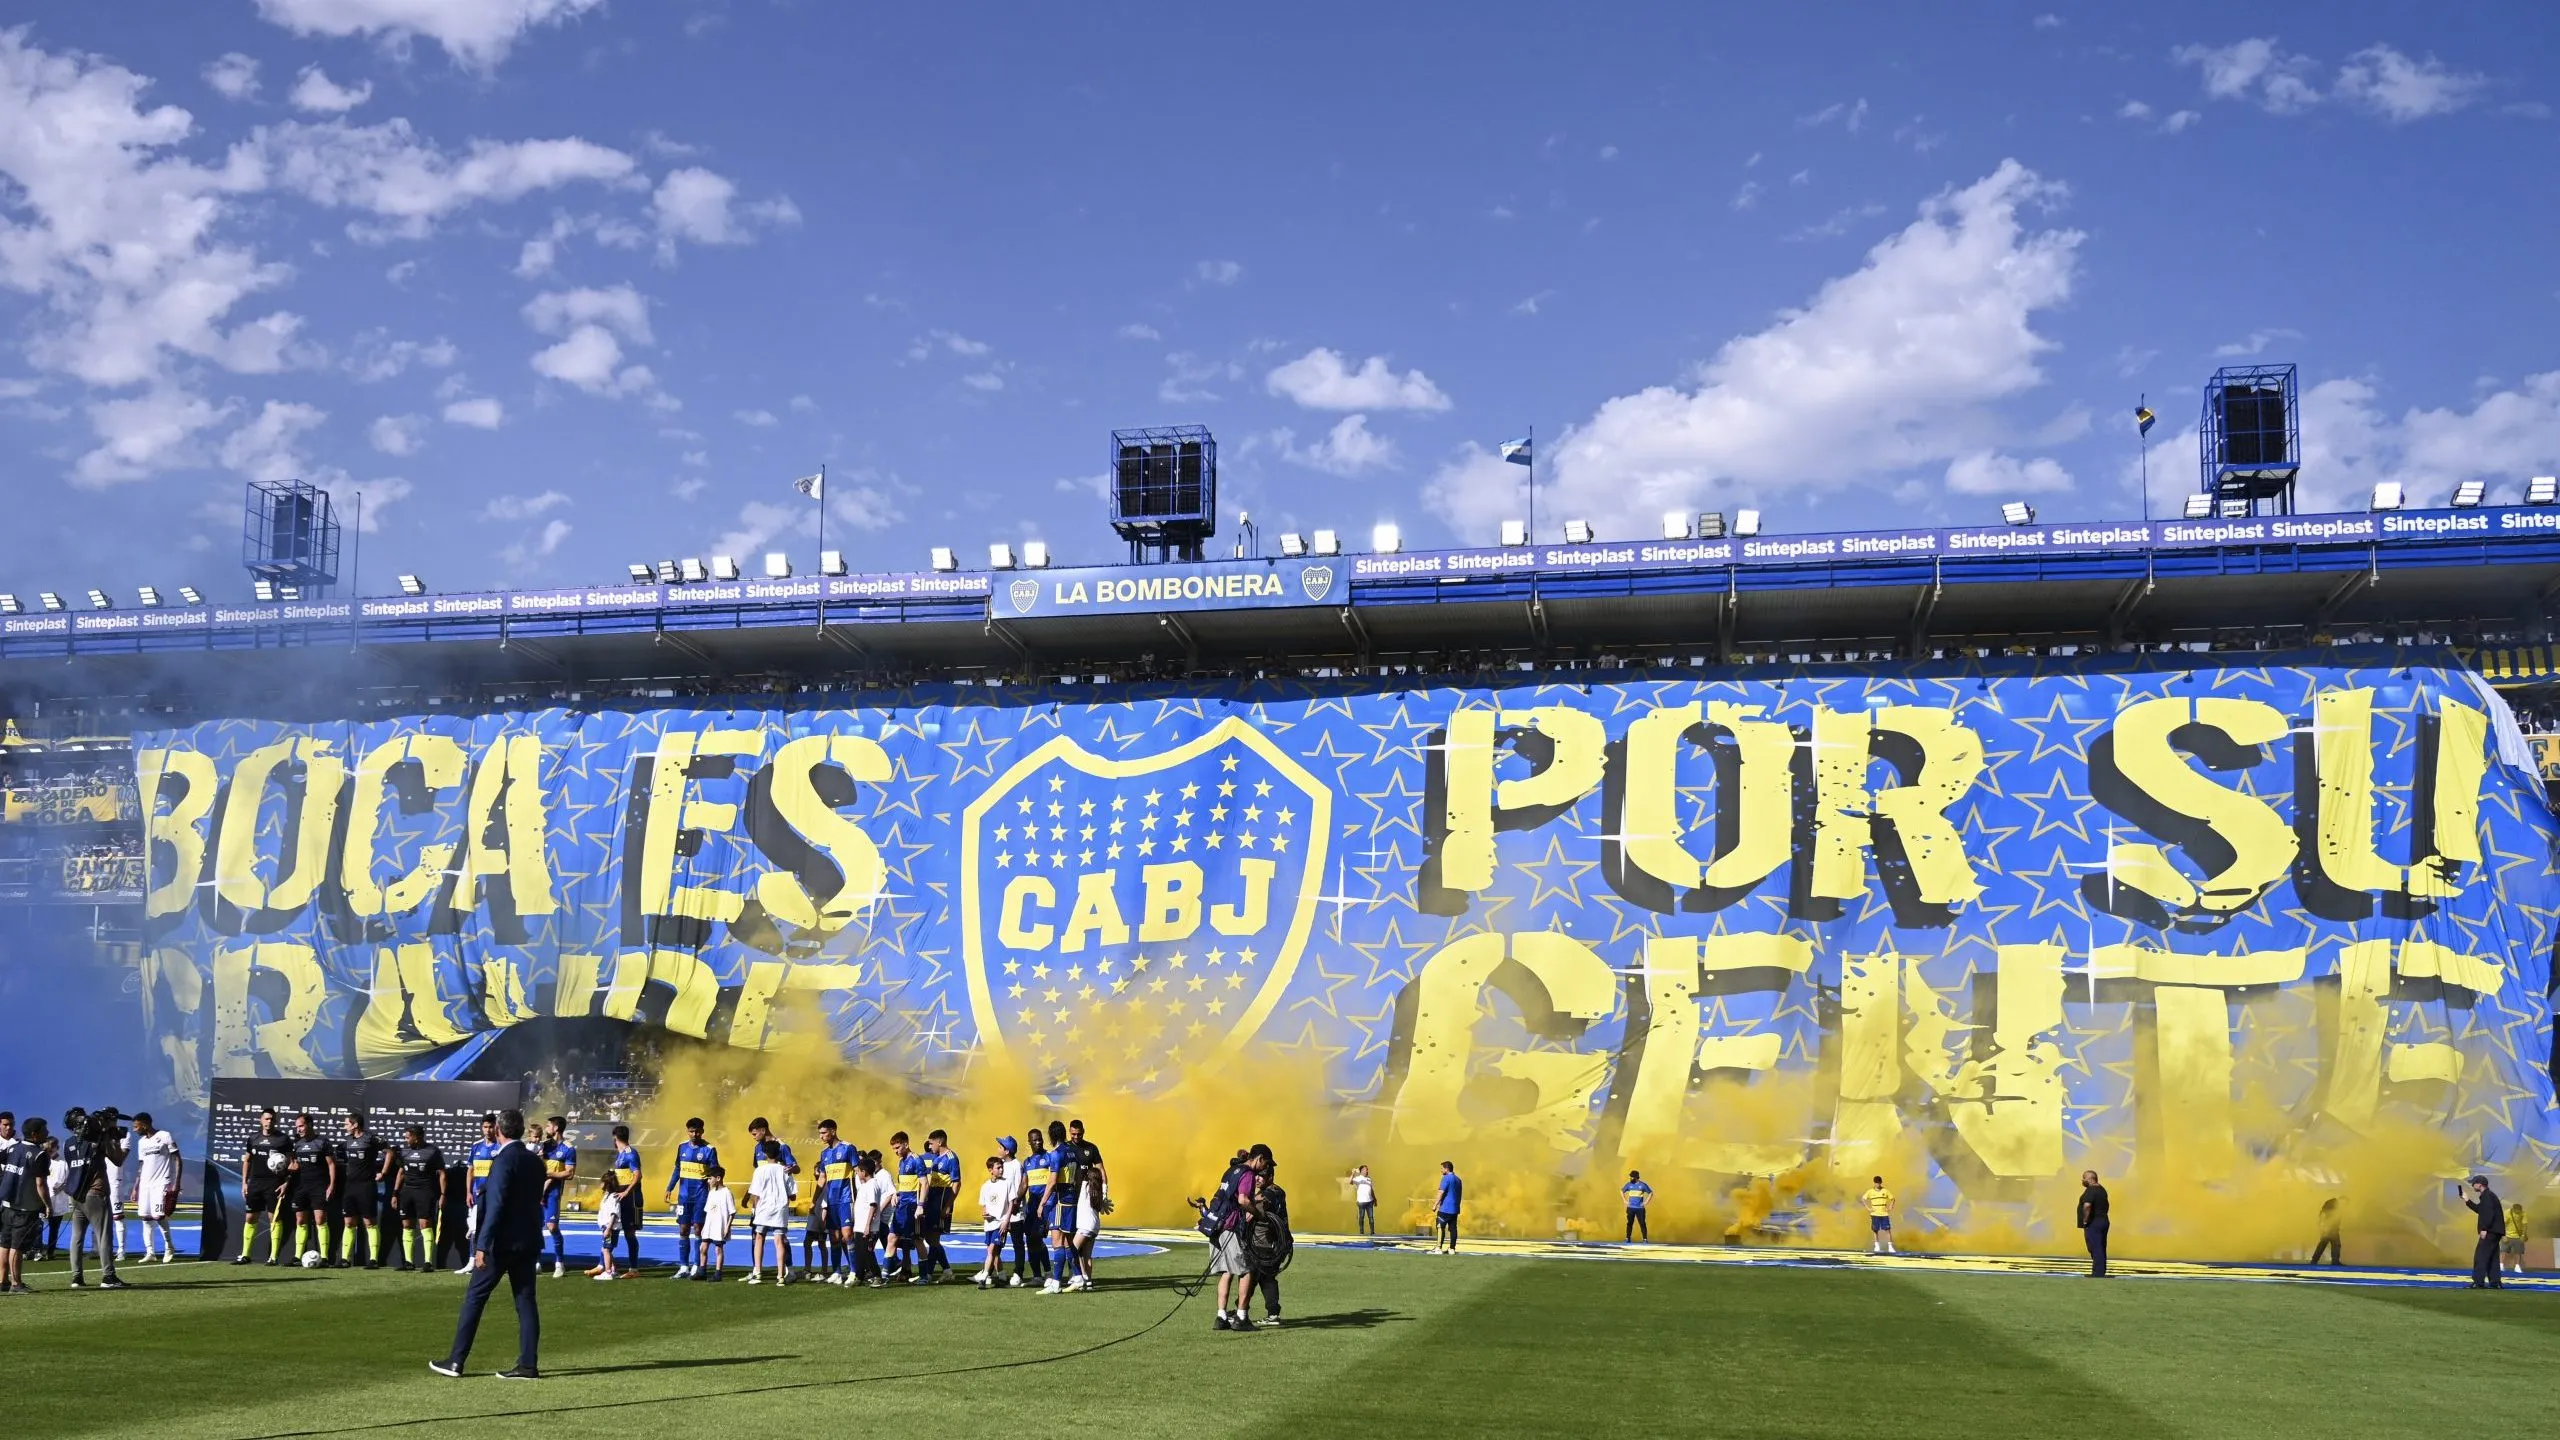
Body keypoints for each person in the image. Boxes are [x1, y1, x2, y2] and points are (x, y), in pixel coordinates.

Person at [431, 1109, 543, 1381]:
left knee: (475, 1298)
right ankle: (528, 1364)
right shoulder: (535, 1161)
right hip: (528, 1240)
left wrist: (482, 1245)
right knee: (525, 1301)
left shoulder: (504, 1161)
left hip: (501, 1243)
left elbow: (496, 1206)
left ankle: (456, 1361)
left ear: (499, 1131)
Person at [62, 1109, 128, 1288]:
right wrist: (116, 1140)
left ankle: (76, 1278)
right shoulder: (98, 1140)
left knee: (76, 1237)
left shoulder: (68, 1143)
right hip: (96, 1193)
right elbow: (118, 1159)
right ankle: (108, 1277)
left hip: (76, 1195)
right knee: (104, 1236)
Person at [1193, 1145, 1257, 1328]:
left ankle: (1221, 1317)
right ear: (1258, 1159)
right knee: (1246, 1270)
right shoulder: (1247, 1173)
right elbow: (1243, 1199)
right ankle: (1241, 1317)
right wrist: (1256, 1213)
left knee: (1226, 1271)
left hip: (1215, 1226)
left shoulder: (1230, 1171)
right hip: (1230, 1226)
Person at [235, 1107, 292, 1265]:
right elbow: (247, 1160)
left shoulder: (283, 1139)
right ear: (261, 1120)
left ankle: (273, 1257)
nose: (269, 1122)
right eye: (266, 1119)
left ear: (276, 1121)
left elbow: (292, 1164)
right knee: (250, 1217)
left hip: (274, 1184)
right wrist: (244, 1182)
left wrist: (286, 1182)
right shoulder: (253, 1138)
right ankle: (245, 1255)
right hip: (255, 1183)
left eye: (272, 1119)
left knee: (274, 1218)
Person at [1242, 1145, 1291, 1327]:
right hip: (1274, 1243)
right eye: (1257, 1176)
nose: (1257, 1179)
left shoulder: (1268, 1194)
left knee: (1261, 1277)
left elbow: (1255, 1211)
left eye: (1261, 1176)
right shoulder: (1276, 1191)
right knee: (1257, 1277)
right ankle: (1243, 1310)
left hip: (1267, 1243)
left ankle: (1267, 1313)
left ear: (1270, 1177)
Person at [667, 1117, 718, 1279]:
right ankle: (683, 1266)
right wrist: (670, 1187)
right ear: (687, 1131)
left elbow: (716, 1173)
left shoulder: (710, 1149)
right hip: (684, 1196)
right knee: (683, 1229)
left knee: (698, 1228)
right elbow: (677, 1169)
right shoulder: (681, 1147)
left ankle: (697, 1264)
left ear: (702, 1131)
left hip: (701, 1196)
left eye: (697, 1131)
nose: (694, 1134)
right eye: (691, 1131)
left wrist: (714, 1193)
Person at [0, 1114, 47, 1292]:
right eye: (44, 1130)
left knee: (4, 1244)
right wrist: (48, 1204)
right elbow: (40, 1184)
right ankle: (16, 1283)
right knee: (17, 1247)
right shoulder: (39, 1154)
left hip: (7, 1204)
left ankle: (2, 1281)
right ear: (35, 1134)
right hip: (25, 1207)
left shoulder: (14, 1148)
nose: (47, 1132)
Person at [332, 1112, 385, 1268]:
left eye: (347, 1124)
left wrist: (383, 1172)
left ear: (355, 1125)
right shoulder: (347, 1141)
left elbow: (389, 1152)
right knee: (348, 1222)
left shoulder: (370, 1138)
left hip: (366, 1185)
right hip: (350, 1186)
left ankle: (374, 1259)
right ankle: (344, 1259)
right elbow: (338, 1158)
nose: (344, 1127)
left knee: (369, 1222)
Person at [1039, 1121, 1087, 1293]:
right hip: (1071, 1200)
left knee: (1057, 1242)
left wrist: (1042, 1203)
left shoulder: (1056, 1154)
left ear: (1051, 1136)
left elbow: (1052, 1181)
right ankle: (1079, 1277)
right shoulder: (1072, 1152)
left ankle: (1056, 1283)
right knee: (1068, 1242)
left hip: (1060, 1201)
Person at [392, 1124, 446, 1272]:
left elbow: (442, 1174)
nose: (405, 1139)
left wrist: (443, 1194)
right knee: (407, 1226)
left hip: (425, 1192)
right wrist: (395, 1193)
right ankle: (408, 1262)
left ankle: (428, 1262)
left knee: (425, 1225)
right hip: (407, 1192)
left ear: (416, 1137)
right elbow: (401, 1172)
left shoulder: (432, 1151)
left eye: (408, 1137)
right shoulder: (404, 1151)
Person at [129, 1112, 181, 1264]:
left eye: (136, 1126)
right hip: (145, 1185)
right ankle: (150, 1252)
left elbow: (177, 1159)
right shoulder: (141, 1142)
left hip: (161, 1183)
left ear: (144, 1125)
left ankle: (169, 1247)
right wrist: (135, 1186)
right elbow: (141, 1164)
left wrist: (176, 1182)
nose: (134, 1130)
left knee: (159, 1217)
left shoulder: (164, 1135)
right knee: (145, 1218)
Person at [814, 1119, 859, 1285]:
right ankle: (837, 1272)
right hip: (831, 1201)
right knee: (833, 1237)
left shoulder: (848, 1148)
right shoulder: (824, 1154)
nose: (821, 1137)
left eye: (824, 1133)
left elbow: (858, 1172)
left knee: (847, 1235)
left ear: (833, 1131)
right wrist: (814, 1200)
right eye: (820, 1133)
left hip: (847, 1199)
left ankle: (854, 1272)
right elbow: (822, 1178)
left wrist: (864, 1195)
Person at [1067, 1119, 1108, 1288]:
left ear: (1084, 1131)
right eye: (1073, 1134)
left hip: (1087, 1200)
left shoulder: (1091, 1148)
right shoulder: (1066, 1148)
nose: (1076, 1136)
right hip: (1070, 1200)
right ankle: (1080, 1277)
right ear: (1070, 1132)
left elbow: (1101, 1170)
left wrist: (1104, 1192)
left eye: (1079, 1133)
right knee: (1071, 1238)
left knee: (1078, 1247)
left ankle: (1080, 1278)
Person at [746, 1140, 794, 1285]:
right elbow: (793, 1195)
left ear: (765, 1154)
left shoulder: (759, 1170)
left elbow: (755, 1193)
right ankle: (780, 1276)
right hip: (780, 1208)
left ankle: (758, 1273)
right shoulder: (785, 1170)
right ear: (779, 1153)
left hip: (763, 1208)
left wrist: (755, 1208)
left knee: (759, 1238)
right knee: (779, 1241)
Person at [459, 1114, 502, 1275]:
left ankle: (495, 1261)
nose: (488, 1130)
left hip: (495, 1195)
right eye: (485, 1127)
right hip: (477, 1196)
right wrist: (468, 1192)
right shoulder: (476, 1146)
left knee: (495, 1227)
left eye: (490, 1127)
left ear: (496, 1127)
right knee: (475, 1228)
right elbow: (470, 1170)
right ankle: (472, 1260)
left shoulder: (500, 1147)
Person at [539, 1117, 577, 1278]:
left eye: (548, 1125)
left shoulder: (568, 1148)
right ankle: (536, 1262)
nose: (546, 1128)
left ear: (556, 1127)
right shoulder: (543, 1146)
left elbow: (569, 1173)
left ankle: (559, 1263)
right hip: (536, 1192)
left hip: (553, 1193)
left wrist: (549, 1174)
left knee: (552, 1227)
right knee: (534, 1227)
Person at [1014, 1130, 1052, 1287]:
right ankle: (1037, 1276)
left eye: (1040, 1140)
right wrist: (1016, 1200)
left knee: (1039, 1237)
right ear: (1029, 1142)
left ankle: (1049, 1272)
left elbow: (1054, 1181)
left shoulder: (1049, 1158)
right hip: (1032, 1206)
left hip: (1047, 1204)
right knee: (1031, 1239)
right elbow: (1024, 1183)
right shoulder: (1027, 1162)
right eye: (1034, 1140)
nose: (1038, 1142)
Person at [922, 1128, 961, 1282]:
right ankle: (943, 1271)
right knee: (930, 1238)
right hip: (932, 1203)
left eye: (931, 1143)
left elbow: (957, 1183)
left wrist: (948, 1205)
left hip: (941, 1204)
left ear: (940, 1141)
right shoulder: (936, 1158)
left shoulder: (951, 1158)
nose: (930, 1147)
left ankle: (934, 1272)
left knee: (934, 1239)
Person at [888, 1131, 925, 1282]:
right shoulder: (901, 1161)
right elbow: (904, 1183)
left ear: (906, 1144)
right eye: (894, 1149)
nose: (896, 1151)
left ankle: (924, 1275)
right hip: (902, 1205)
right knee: (899, 1239)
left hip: (912, 1206)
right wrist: (896, 1194)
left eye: (897, 1147)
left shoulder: (916, 1160)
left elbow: (924, 1183)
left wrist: (921, 1205)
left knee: (917, 1239)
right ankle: (904, 1270)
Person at [850, 1151, 889, 1287]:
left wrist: (868, 1226)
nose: (857, 1174)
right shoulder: (865, 1185)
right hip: (860, 1226)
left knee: (867, 1252)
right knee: (860, 1252)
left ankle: (877, 1276)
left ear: (864, 1172)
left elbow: (873, 1206)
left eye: (858, 1171)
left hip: (868, 1227)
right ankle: (859, 1277)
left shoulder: (872, 1184)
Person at [608, 1125, 643, 1276]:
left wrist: (627, 1192)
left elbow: (638, 1175)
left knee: (630, 1233)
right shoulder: (621, 1154)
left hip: (631, 1199)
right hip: (621, 1197)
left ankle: (633, 1269)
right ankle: (608, 1265)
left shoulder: (630, 1153)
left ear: (615, 1138)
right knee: (613, 1228)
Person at [2463, 1175, 2505, 1289]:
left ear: (2480, 1184)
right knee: (2492, 1257)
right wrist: (2467, 1201)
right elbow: (2480, 1210)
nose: (2472, 1185)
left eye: (2474, 1183)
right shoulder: (2488, 1196)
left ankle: (2478, 1282)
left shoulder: (2487, 1197)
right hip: (2496, 1231)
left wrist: (2484, 1229)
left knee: (2480, 1256)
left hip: (2490, 1231)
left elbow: (2488, 1214)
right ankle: (2495, 1282)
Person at [975, 1155, 1011, 1288]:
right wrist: (985, 1214)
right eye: (998, 1167)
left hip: (1000, 1224)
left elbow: (1011, 1203)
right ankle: (1002, 1276)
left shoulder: (1006, 1183)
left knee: (991, 1250)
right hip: (989, 1224)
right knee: (995, 1253)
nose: (1001, 1170)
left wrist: (1006, 1220)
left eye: (1002, 1167)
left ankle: (984, 1277)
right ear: (991, 1170)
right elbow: (984, 1206)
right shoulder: (985, 1186)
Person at [699, 1164, 735, 1280]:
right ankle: (702, 1270)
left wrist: (727, 1227)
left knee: (718, 1249)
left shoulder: (726, 1192)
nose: (708, 1181)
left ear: (718, 1178)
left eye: (710, 1178)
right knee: (703, 1247)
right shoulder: (711, 1193)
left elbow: (732, 1212)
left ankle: (718, 1273)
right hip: (709, 1225)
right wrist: (705, 1225)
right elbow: (708, 1210)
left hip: (719, 1225)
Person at [592, 1172, 628, 1281]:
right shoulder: (607, 1196)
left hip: (610, 1228)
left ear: (607, 1183)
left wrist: (608, 1228)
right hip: (606, 1227)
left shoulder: (613, 1197)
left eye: (602, 1182)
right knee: (606, 1249)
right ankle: (614, 1269)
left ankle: (608, 1272)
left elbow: (614, 1214)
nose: (600, 1184)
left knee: (606, 1249)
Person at [2076, 1170, 2110, 1278]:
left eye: (2084, 1178)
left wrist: (2085, 1220)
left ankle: (2098, 1273)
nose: (2082, 1180)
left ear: (2091, 1179)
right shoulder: (2102, 1189)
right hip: (2103, 1220)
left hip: (2094, 1222)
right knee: (2100, 1246)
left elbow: (2087, 1206)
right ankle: (2100, 1271)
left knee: (2095, 1247)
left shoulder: (2091, 1190)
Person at [1862, 1175, 1896, 1256]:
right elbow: (1863, 1199)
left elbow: (1893, 1199)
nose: (1878, 1184)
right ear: (1874, 1183)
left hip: (1884, 1213)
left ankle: (1890, 1247)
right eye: (1877, 1183)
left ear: (1881, 1183)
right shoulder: (1870, 1192)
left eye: (1879, 1183)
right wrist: (1868, 1208)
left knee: (1887, 1230)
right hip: (1874, 1214)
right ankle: (1877, 1246)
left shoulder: (1885, 1191)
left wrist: (1891, 1206)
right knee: (1875, 1230)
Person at [1434, 1160, 1462, 1254]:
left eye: (1442, 1168)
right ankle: (1452, 1249)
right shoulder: (1458, 1180)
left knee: (1440, 1226)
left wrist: (1435, 1205)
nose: (1441, 1170)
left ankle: (1438, 1248)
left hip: (1445, 1209)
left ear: (1446, 1168)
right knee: (1453, 1229)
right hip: (1455, 1209)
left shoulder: (1446, 1178)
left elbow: (1441, 1192)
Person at [1622, 1170, 1653, 1242]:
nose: (1630, 1178)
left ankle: (1645, 1239)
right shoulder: (1629, 1185)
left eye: (1632, 1177)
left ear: (1636, 1177)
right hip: (1630, 1208)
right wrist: (1624, 1200)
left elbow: (1650, 1193)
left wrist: (1646, 1202)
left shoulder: (1642, 1185)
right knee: (1629, 1223)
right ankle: (1627, 1238)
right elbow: (1621, 1191)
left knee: (1642, 1223)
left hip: (1640, 1208)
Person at [2311, 1197, 2343, 1266]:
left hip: (2330, 1229)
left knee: (2324, 1244)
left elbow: (2323, 1216)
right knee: (2335, 1244)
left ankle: (2314, 1260)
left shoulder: (2331, 1205)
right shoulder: (2333, 1206)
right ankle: (2335, 1261)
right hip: (2330, 1229)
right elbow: (2325, 1216)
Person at [2502, 1198, 2529, 1277]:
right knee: (2503, 1250)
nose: (2518, 1212)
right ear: (2513, 1209)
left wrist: (2523, 1235)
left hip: (2518, 1236)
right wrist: (2503, 1235)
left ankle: (2517, 1266)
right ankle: (2501, 1265)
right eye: (2516, 1211)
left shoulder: (2523, 1213)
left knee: (2518, 1251)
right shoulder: (2507, 1213)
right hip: (2507, 1235)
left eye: (2519, 1211)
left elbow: (2525, 1225)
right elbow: (2502, 1224)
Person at [1351, 1164, 1376, 1236]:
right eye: (1366, 1169)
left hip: (1369, 1201)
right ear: (1362, 1170)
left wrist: (1374, 1199)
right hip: (1361, 1202)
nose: (1367, 1171)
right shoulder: (1358, 1178)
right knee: (1361, 1217)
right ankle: (1361, 1232)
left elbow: (1371, 1190)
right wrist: (1353, 1173)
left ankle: (1372, 1232)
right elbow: (1350, 1182)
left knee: (1371, 1217)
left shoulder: (1369, 1179)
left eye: (1367, 1169)